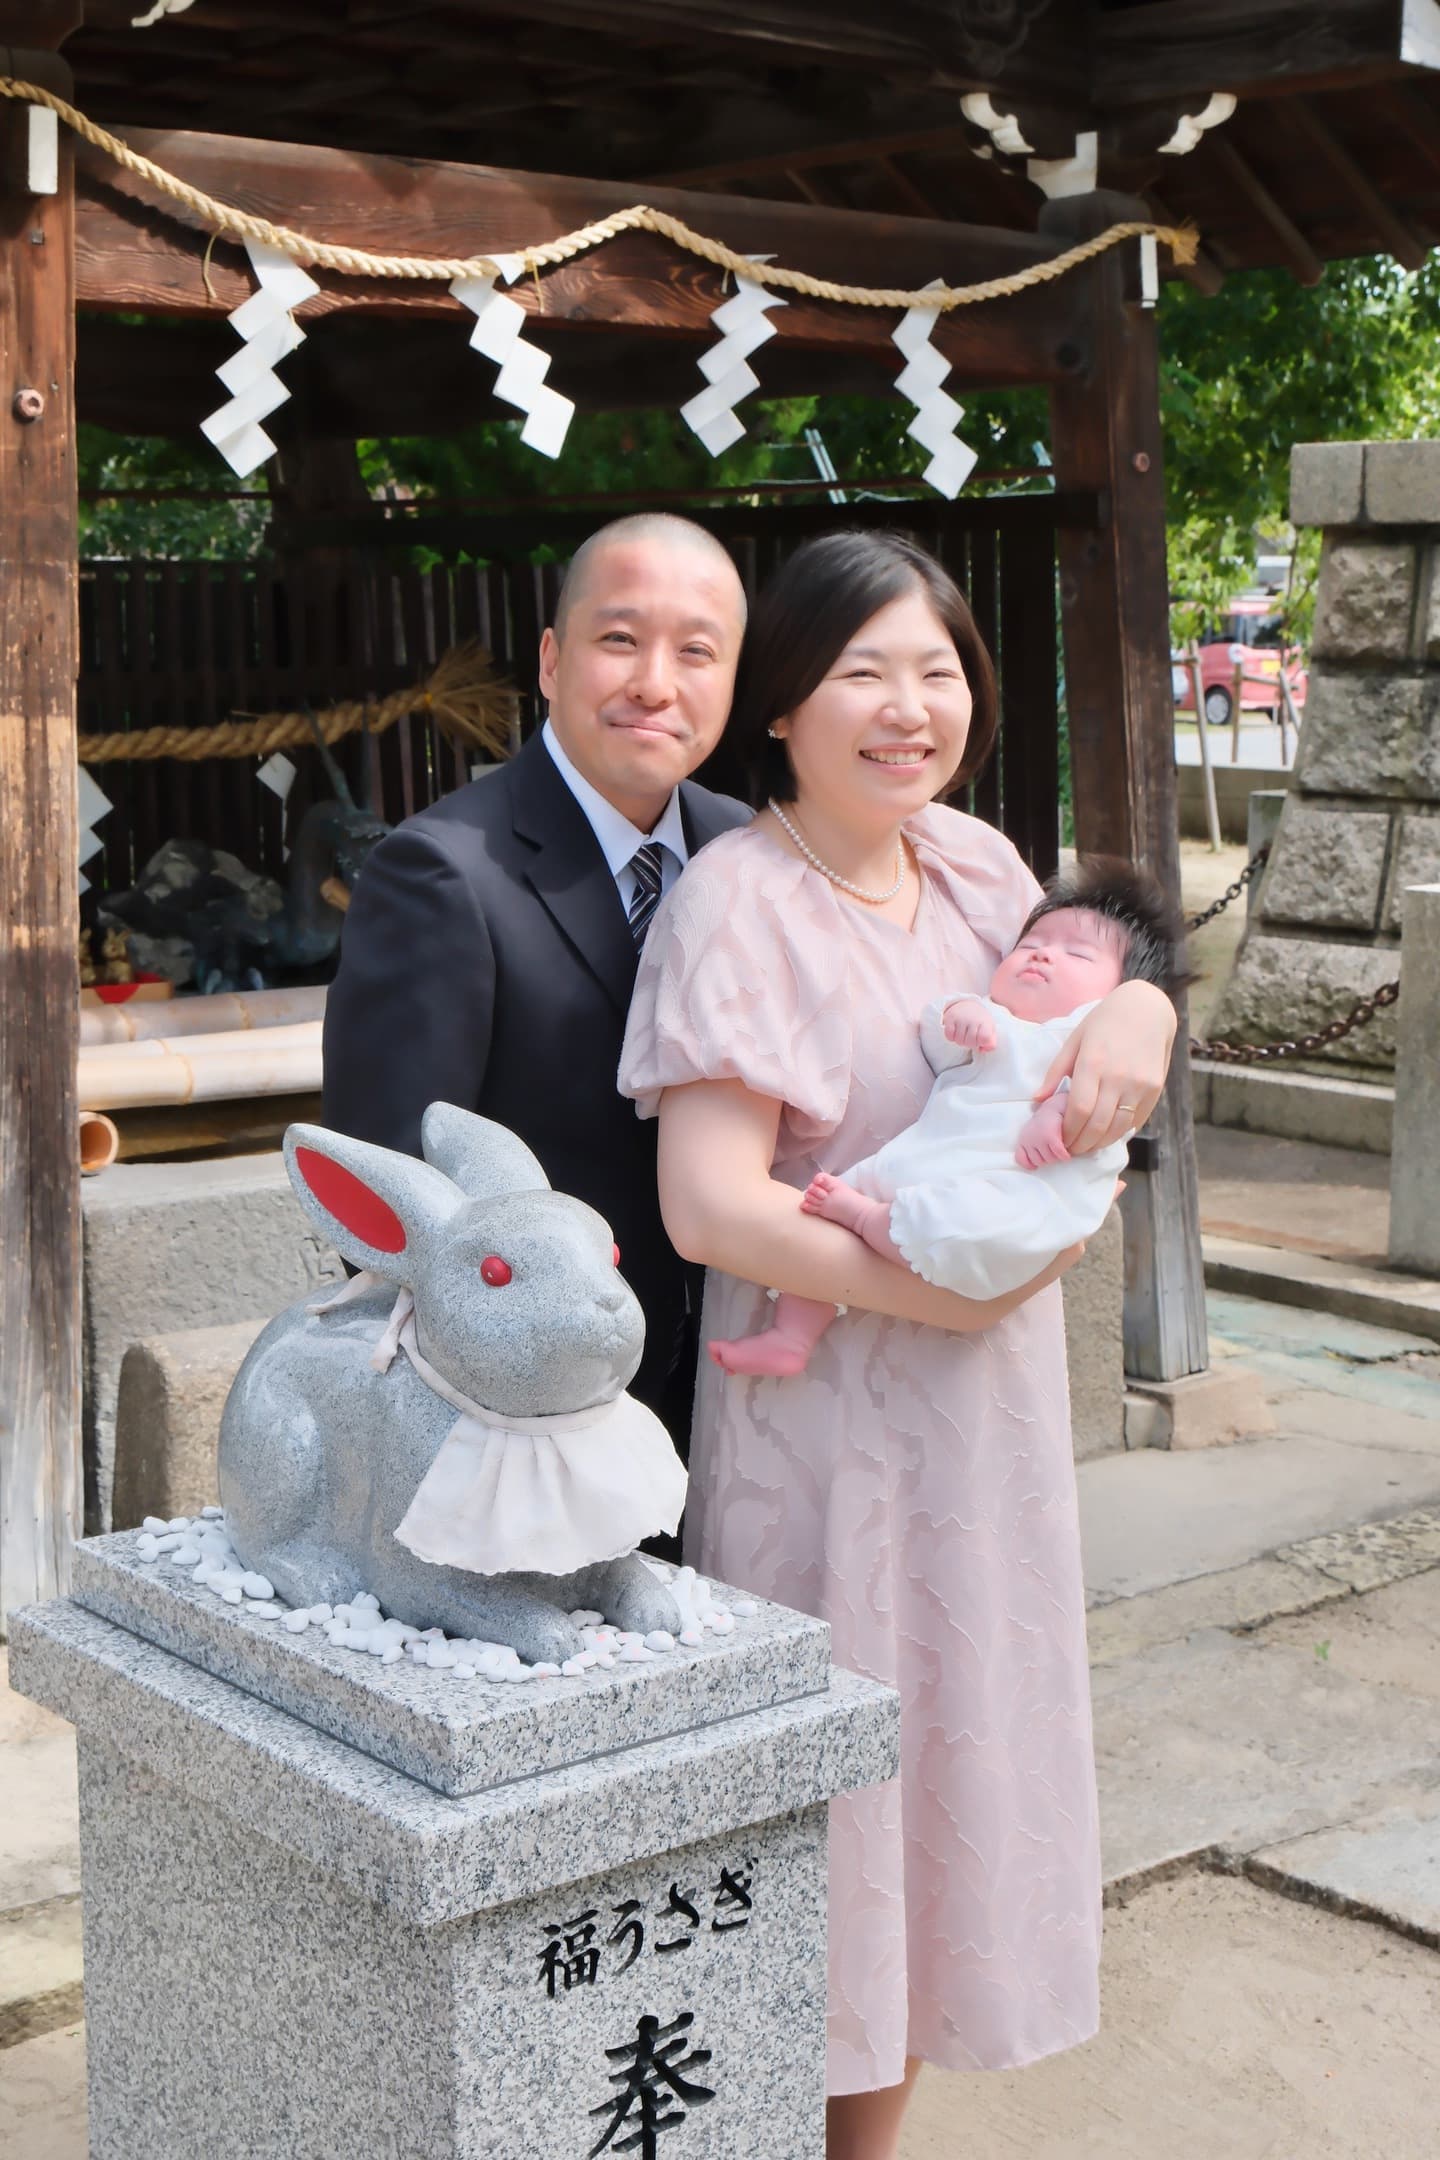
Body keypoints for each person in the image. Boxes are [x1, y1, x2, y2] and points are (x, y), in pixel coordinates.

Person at [617, 532, 1177, 2160]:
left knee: (940, 1808)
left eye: (937, 671)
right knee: (836, 1832)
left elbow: (1102, 1008)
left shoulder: (987, 871)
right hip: (832, 1451)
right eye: (863, 671)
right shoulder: (737, 905)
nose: (907, 707)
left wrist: (1144, 1013)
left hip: (982, 1445)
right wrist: (952, 1294)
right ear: (783, 705)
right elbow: (710, 1206)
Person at [322, 513, 750, 1436]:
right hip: (532, 1422)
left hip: (741, 1390)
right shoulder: (439, 872)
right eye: (620, 639)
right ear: (553, 661)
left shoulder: (748, 849)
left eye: (697, 651)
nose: (655, 682)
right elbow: (392, 1192)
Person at [709, 860, 1185, 1375]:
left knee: (954, 1219)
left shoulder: (1088, 1032)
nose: (1043, 953)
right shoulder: (994, 1017)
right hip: (930, 1158)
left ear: (1118, 993)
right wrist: (963, 1017)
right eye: (1030, 944)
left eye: (1077, 954)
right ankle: (792, 1334)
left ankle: (870, 1222)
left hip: (1014, 1186)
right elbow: (937, 1041)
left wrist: (1059, 1113)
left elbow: (1105, 1101)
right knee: (832, 1209)